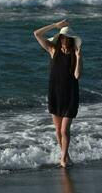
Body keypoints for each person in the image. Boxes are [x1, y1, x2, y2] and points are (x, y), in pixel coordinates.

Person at [33, 20, 82, 168]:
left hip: (70, 95)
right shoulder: (52, 51)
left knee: (64, 130)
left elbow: (77, 76)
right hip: (55, 93)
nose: (64, 40)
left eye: (67, 38)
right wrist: (55, 25)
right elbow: (36, 33)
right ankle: (65, 156)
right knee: (58, 130)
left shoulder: (75, 54)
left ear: (71, 40)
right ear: (59, 38)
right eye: (62, 37)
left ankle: (63, 159)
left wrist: (79, 58)